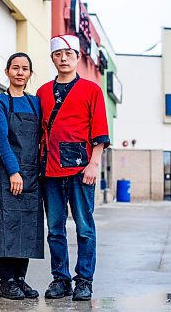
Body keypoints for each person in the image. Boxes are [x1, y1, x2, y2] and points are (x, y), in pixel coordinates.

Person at [36, 35, 110, 301]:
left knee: (84, 227)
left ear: (78, 57)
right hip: (50, 170)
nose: (64, 58)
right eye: (58, 54)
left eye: (69, 53)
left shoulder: (92, 90)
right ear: (52, 58)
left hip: (81, 170)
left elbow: (100, 129)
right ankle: (60, 279)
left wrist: (94, 163)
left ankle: (84, 280)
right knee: (55, 228)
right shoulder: (43, 92)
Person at [0, 52, 44, 300]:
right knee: (6, 226)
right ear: (7, 72)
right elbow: (1, 139)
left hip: (32, 174)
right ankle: (6, 281)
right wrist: (14, 171)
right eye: (15, 68)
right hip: (7, 173)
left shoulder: (36, 104)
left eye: (25, 69)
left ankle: (20, 279)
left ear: (30, 74)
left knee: (27, 227)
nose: (20, 72)